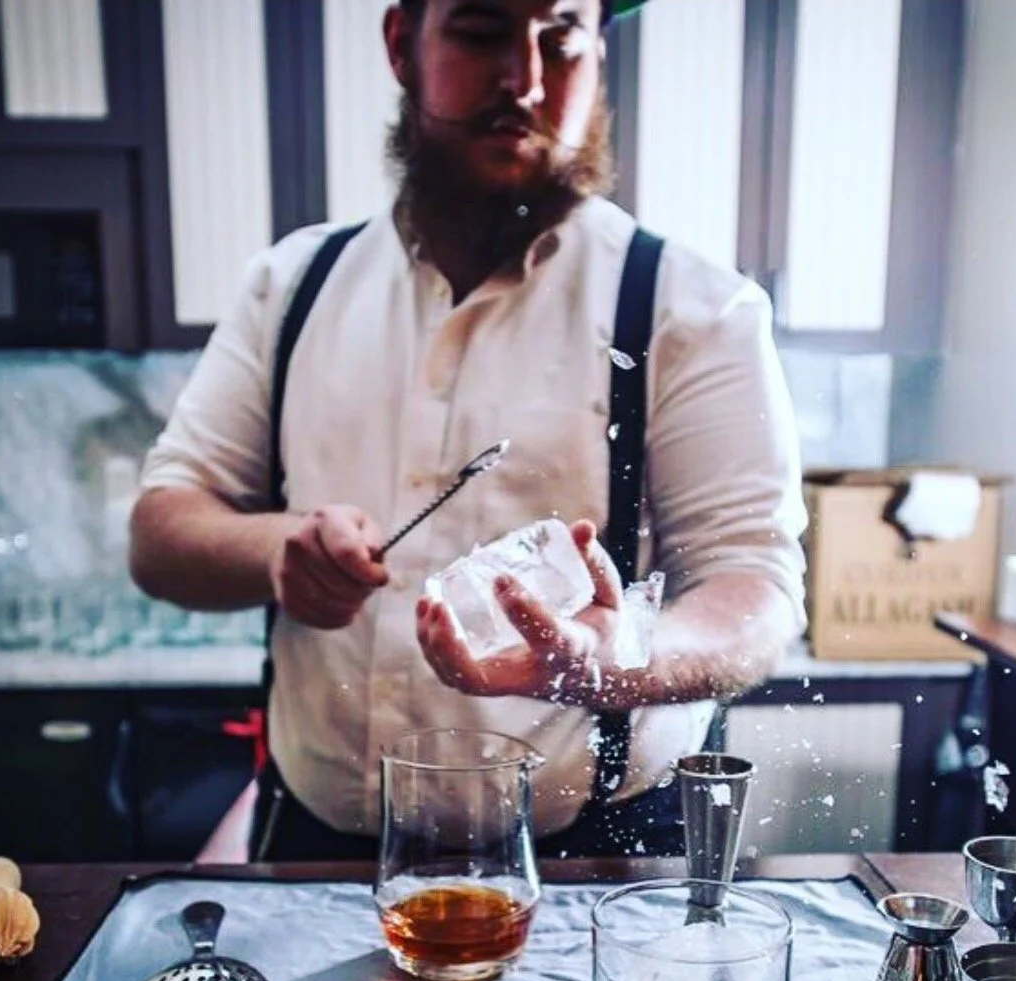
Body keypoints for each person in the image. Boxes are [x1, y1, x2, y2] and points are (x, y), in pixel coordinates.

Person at [129, 0, 807, 862]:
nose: (523, 80)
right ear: (402, 45)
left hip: (590, 864)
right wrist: (278, 553)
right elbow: (160, 532)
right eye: (481, 31)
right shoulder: (292, 287)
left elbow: (756, 590)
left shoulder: (695, 309)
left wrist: (619, 654)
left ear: (597, 54)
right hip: (316, 853)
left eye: (560, 40)